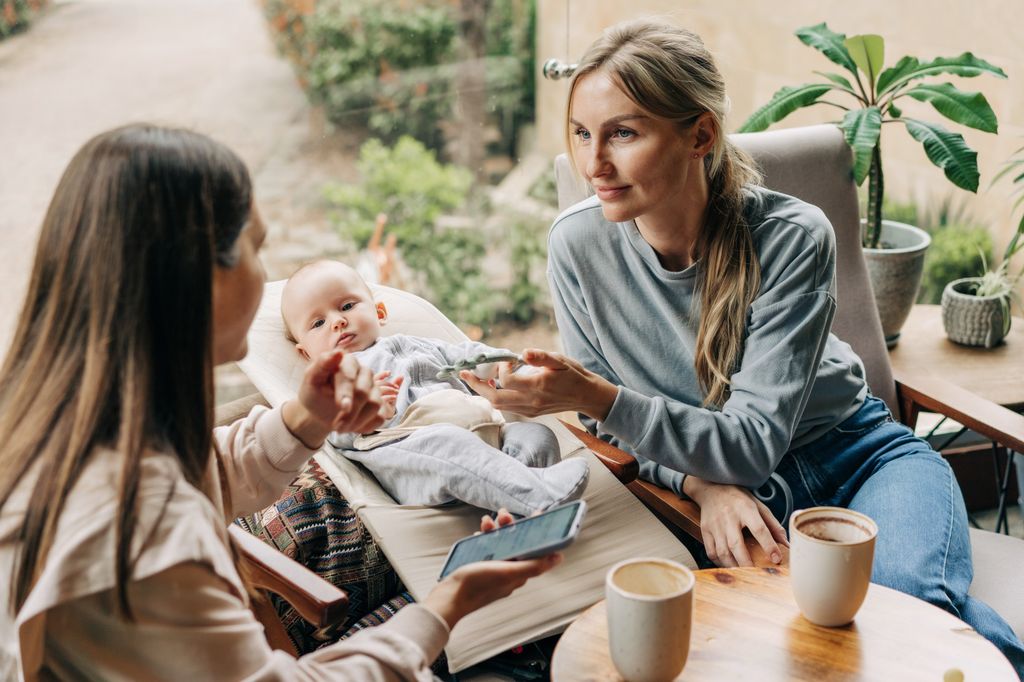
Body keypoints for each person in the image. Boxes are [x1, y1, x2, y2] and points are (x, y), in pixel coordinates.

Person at [460, 18, 1024, 674]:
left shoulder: (792, 237)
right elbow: (603, 427)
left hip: (865, 460)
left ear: (699, 134)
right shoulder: (577, 245)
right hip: (746, 494)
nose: (594, 164)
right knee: (827, 643)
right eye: (583, 134)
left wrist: (597, 395)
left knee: (902, 612)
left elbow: (746, 442)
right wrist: (700, 484)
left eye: (623, 133)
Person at [0, 124, 560, 680]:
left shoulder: (68, 425)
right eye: (256, 248)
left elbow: (200, 470)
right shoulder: (138, 538)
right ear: (198, 280)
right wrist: (446, 608)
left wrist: (304, 418)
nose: (265, 274)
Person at [280, 259, 589, 516]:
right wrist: (362, 407)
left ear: (379, 312)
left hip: (484, 434)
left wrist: (497, 364)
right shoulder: (332, 380)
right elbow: (333, 433)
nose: (337, 322)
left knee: (535, 434)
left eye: (347, 305)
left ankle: (514, 507)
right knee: (448, 441)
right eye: (318, 324)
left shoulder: (416, 344)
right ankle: (540, 495)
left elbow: (466, 355)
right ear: (306, 353)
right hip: (415, 455)